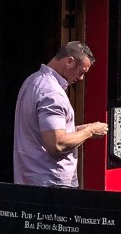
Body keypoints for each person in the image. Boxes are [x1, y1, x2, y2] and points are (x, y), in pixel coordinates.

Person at [12, 42, 108, 187]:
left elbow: (43, 133)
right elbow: (57, 144)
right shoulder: (52, 93)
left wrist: (78, 130)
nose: (81, 78)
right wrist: (90, 131)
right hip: (52, 182)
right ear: (69, 61)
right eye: (81, 72)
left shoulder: (32, 80)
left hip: (29, 178)